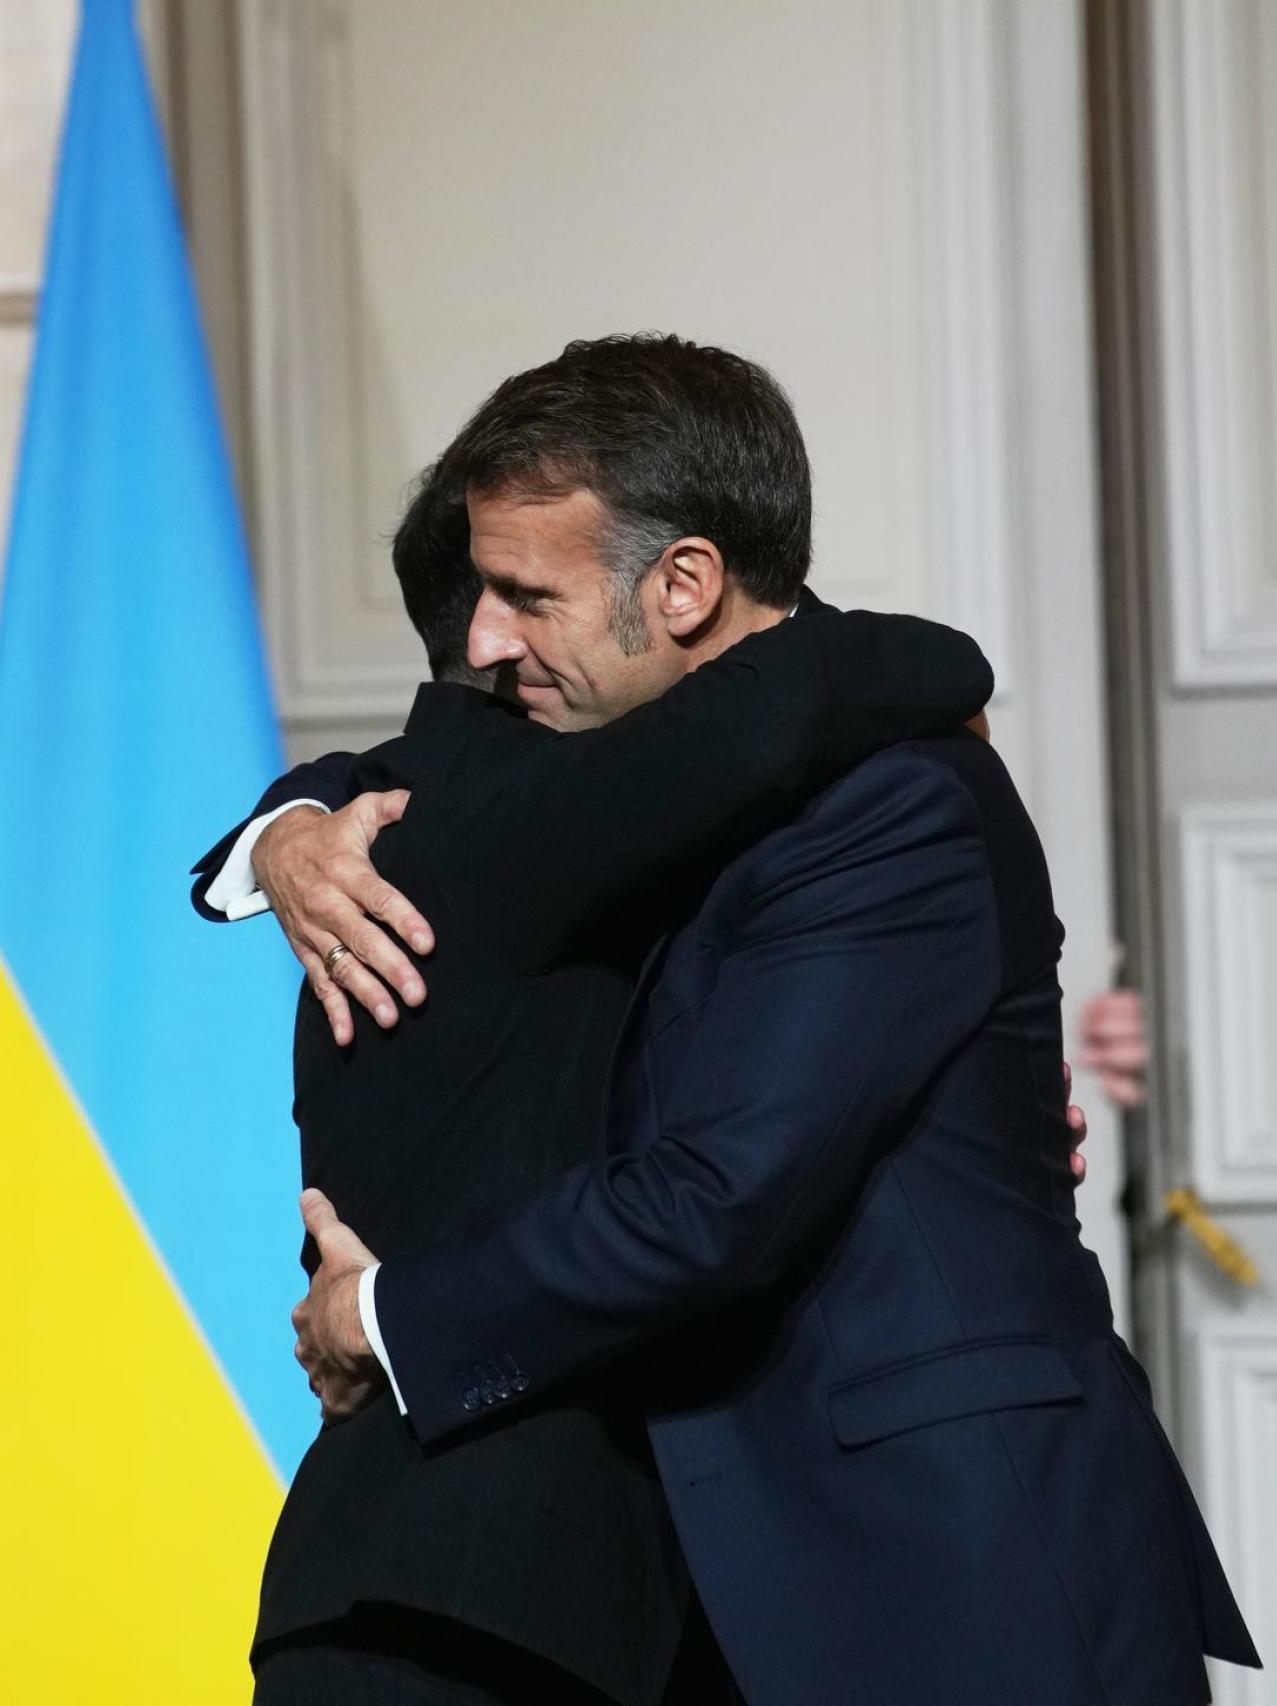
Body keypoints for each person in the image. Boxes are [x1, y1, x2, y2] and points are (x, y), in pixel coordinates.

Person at [194, 363, 1002, 1699]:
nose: (517, 643)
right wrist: (942, 668)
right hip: (488, 1595)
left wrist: (277, 825)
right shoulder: (516, 829)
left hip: (423, 1573)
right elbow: (785, 703)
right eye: (503, 599)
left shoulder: (385, 823)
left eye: (535, 594)